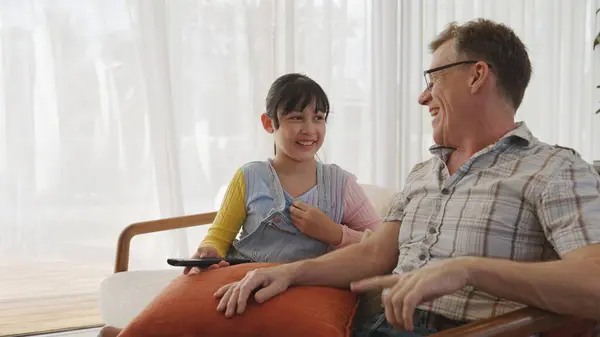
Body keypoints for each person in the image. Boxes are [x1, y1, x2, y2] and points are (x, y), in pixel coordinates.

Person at [213, 19, 600, 337]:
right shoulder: (422, 174)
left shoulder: (553, 168)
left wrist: (467, 269)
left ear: (477, 75)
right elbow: (374, 253)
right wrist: (286, 273)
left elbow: (593, 283)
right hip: (372, 324)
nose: (422, 96)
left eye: (433, 79)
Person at [183, 72, 381, 274]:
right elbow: (218, 238)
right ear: (269, 123)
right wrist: (209, 251)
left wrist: (335, 233)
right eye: (296, 118)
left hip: (309, 290)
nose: (309, 129)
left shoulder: (341, 184)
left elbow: (384, 246)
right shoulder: (248, 176)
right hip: (245, 284)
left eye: (318, 118)